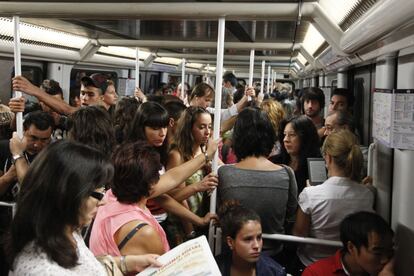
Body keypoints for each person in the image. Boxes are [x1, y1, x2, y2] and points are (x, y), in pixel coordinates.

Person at [5, 140, 161, 275]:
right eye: (97, 195)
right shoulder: (44, 270)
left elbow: (84, 266)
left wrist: (126, 263)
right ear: (67, 194)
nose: (103, 202)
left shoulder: (64, 229)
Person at [218, 107, 297, 256]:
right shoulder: (286, 173)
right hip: (275, 252)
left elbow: (221, 214)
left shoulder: (224, 173)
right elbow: (290, 216)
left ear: (238, 137)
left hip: (235, 253)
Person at [293, 129, 375, 269]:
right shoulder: (367, 194)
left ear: (328, 158)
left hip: (313, 263)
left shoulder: (310, 195)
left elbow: (299, 234)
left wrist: (310, 192)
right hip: (349, 266)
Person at [167, 107, 218, 244]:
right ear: (189, 128)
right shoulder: (177, 155)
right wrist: (191, 232)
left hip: (200, 219)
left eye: (209, 127)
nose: (207, 132)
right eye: (202, 127)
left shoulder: (204, 150)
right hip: (182, 226)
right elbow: (175, 197)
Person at [303, 211, 394, 276]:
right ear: (351, 248)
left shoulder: (391, 269)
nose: (385, 260)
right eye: (377, 252)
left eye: (389, 251)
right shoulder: (316, 273)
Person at [215, 201, 286, 276]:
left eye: (259, 238)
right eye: (248, 239)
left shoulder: (274, 272)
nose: (257, 246)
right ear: (230, 242)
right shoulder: (213, 268)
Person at [12, 75, 111, 116]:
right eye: (82, 93)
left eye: (90, 94)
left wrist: (33, 89)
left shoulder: (99, 115)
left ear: (101, 98)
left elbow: (67, 110)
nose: (84, 98)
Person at [270, 115, 321, 193]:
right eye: (284, 135)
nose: (285, 140)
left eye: (292, 135)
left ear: (305, 138)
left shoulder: (316, 165)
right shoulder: (274, 162)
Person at [188, 82, 254, 124]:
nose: (208, 104)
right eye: (207, 100)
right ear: (196, 98)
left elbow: (226, 113)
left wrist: (245, 97)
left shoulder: (206, 111)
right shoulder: (185, 114)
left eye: (210, 101)